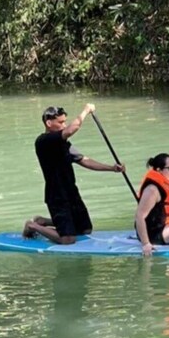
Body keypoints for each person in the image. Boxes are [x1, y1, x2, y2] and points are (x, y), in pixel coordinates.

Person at [23, 104, 125, 244]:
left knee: (85, 230)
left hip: (71, 191)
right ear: (49, 123)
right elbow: (73, 129)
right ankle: (32, 225)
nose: (64, 125)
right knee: (68, 239)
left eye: (65, 121)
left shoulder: (64, 144)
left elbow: (85, 161)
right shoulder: (44, 141)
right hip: (57, 195)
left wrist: (112, 168)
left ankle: (43, 221)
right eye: (60, 122)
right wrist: (86, 111)